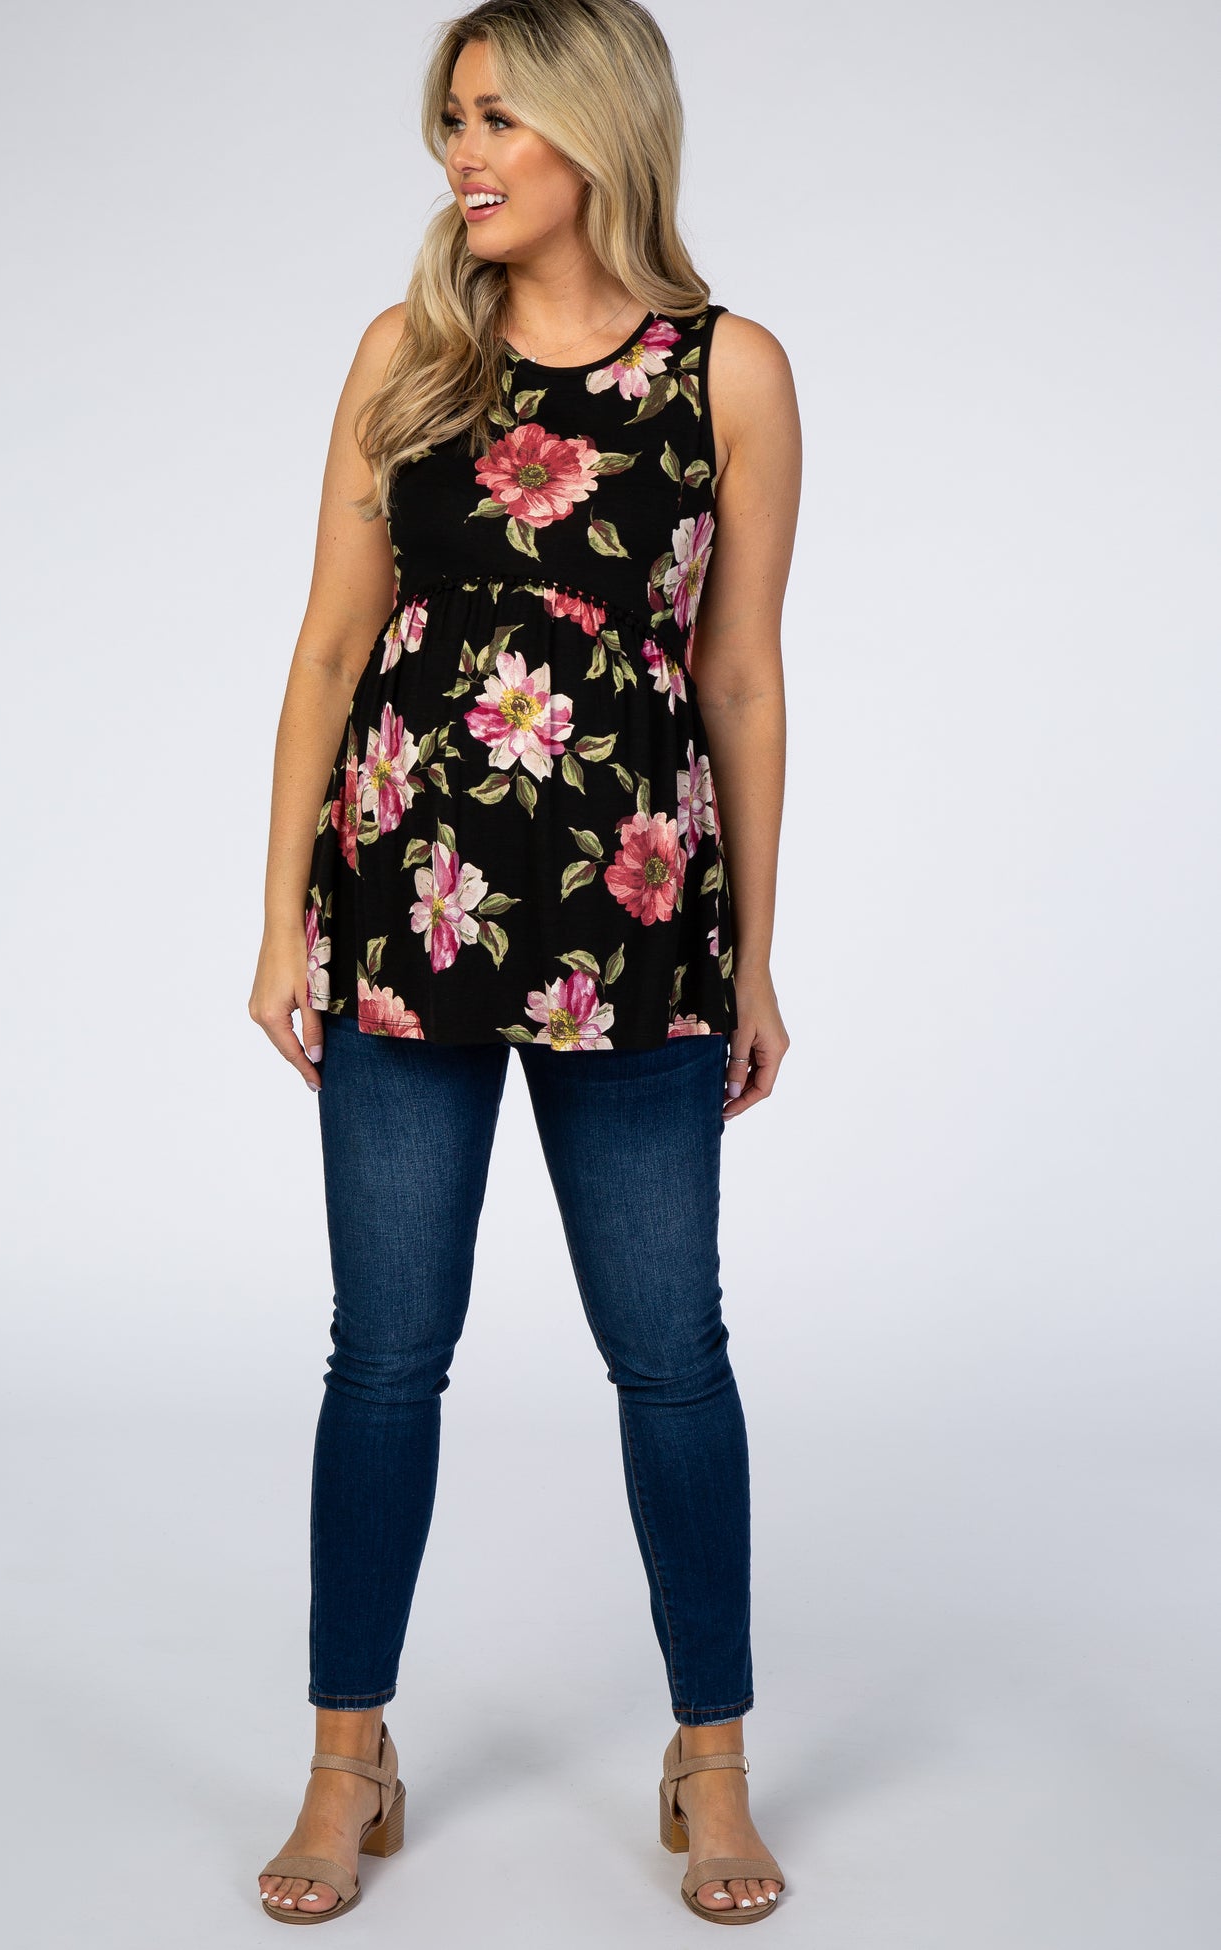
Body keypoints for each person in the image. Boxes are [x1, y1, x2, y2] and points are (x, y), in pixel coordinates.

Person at [248, 0, 801, 1924]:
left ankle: (710, 1759)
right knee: (384, 1355)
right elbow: (332, 645)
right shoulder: (408, 353)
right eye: (451, 122)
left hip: (637, 932)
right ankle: (348, 1759)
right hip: (401, 919)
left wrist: (755, 954)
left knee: (672, 1355)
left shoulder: (729, 370)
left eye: (497, 119)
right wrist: (276, 911)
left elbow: (740, 674)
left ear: (597, 130)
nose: (461, 156)